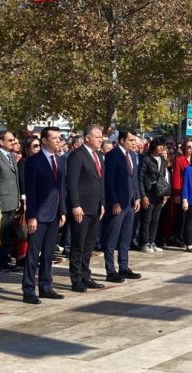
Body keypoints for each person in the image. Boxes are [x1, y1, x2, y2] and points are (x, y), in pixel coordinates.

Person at [22, 126, 67, 305]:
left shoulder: (60, 160)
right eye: (54, 138)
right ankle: (28, 289)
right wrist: (31, 216)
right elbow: (30, 190)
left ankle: (46, 286)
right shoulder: (34, 161)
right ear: (44, 141)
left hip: (54, 214)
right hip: (39, 215)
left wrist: (62, 210)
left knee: (48, 254)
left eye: (59, 137)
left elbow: (61, 189)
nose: (58, 140)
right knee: (33, 254)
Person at [67, 125, 105, 292]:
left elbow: (100, 182)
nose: (100, 139)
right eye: (97, 136)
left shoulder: (99, 156)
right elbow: (72, 183)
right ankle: (76, 279)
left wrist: (102, 203)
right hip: (81, 207)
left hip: (95, 207)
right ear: (87, 137)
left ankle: (85, 274)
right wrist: (75, 205)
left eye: (101, 136)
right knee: (78, 245)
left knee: (89, 244)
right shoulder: (77, 155)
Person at [102, 130, 141, 282]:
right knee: (112, 238)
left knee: (126, 237)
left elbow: (134, 178)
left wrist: (137, 196)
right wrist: (114, 201)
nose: (134, 143)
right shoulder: (113, 155)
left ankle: (123, 267)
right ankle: (110, 270)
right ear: (122, 140)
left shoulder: (132, 155)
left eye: (134, 140)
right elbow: (109, 181)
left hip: (130, 203)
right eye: (131, 140)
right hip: (118, 204)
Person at [0, 130, 23, 272]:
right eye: (10, 140)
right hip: (1, 201)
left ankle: (4, 259)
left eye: (14, 140)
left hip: (12, 200)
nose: (13, 143)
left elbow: (16, 179)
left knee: (7, 233)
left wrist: (19, 197)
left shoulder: (11, 156)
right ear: (1, 142)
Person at [138, 139, 170, 253]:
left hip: (159, 193)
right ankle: (145, 243)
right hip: (149, 192)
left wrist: (166, 193)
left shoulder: (162, 159)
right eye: (159, 146)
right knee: (147, 219)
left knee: (156, 219)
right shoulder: (147, 159)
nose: (162, 148)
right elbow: (141, 178)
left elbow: (164, 177)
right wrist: (143, 195)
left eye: (163, 146)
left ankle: (152, 241)